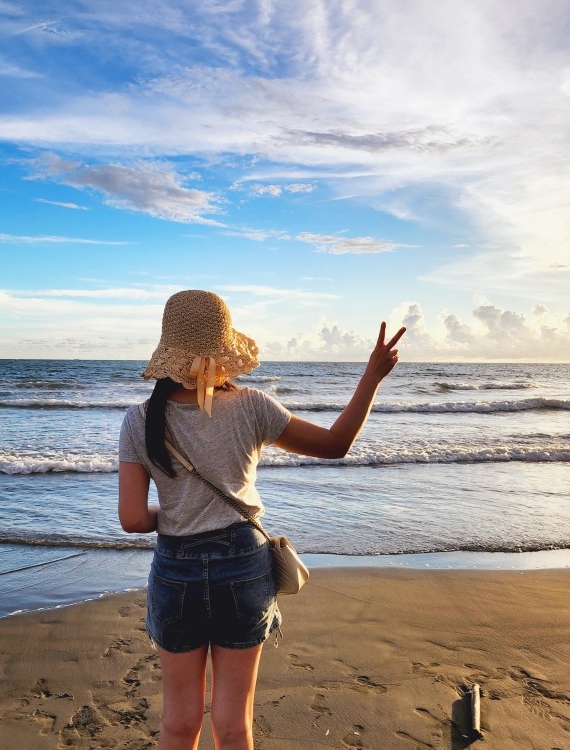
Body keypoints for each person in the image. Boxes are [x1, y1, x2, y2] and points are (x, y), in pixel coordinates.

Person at [118, 290, 405, 750]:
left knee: (178, 723)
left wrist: (177, 512)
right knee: (233, 726)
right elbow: (335, 445)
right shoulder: (252, 406)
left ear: (167, 346)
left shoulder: (140, 419)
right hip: (242, 568)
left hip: (176, 576)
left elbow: (132, 519)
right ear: (224, 343)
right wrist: (370, 379)